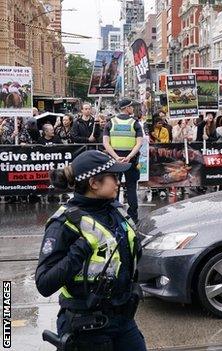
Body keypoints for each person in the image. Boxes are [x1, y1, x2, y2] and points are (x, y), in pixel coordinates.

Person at [36, 150, 145, 351]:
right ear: (94, 183)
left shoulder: (114, 210)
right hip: (87, 326)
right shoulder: (64, 224)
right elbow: (44, 283)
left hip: (123, 319)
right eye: (113, 176)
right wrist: (79, 252)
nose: (118, 182)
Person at [102, 98, 144, 223]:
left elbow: (106, 143)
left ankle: (115, 215)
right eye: (131, 107)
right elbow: (139, 143)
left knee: (114, 187)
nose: (132, 109)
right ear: (126, 108)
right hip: (131, 161)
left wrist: (116, 157)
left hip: (115, 162)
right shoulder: (135, 123)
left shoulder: (110, 123)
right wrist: (129, 156)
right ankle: (133, 217)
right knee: (131, 188)